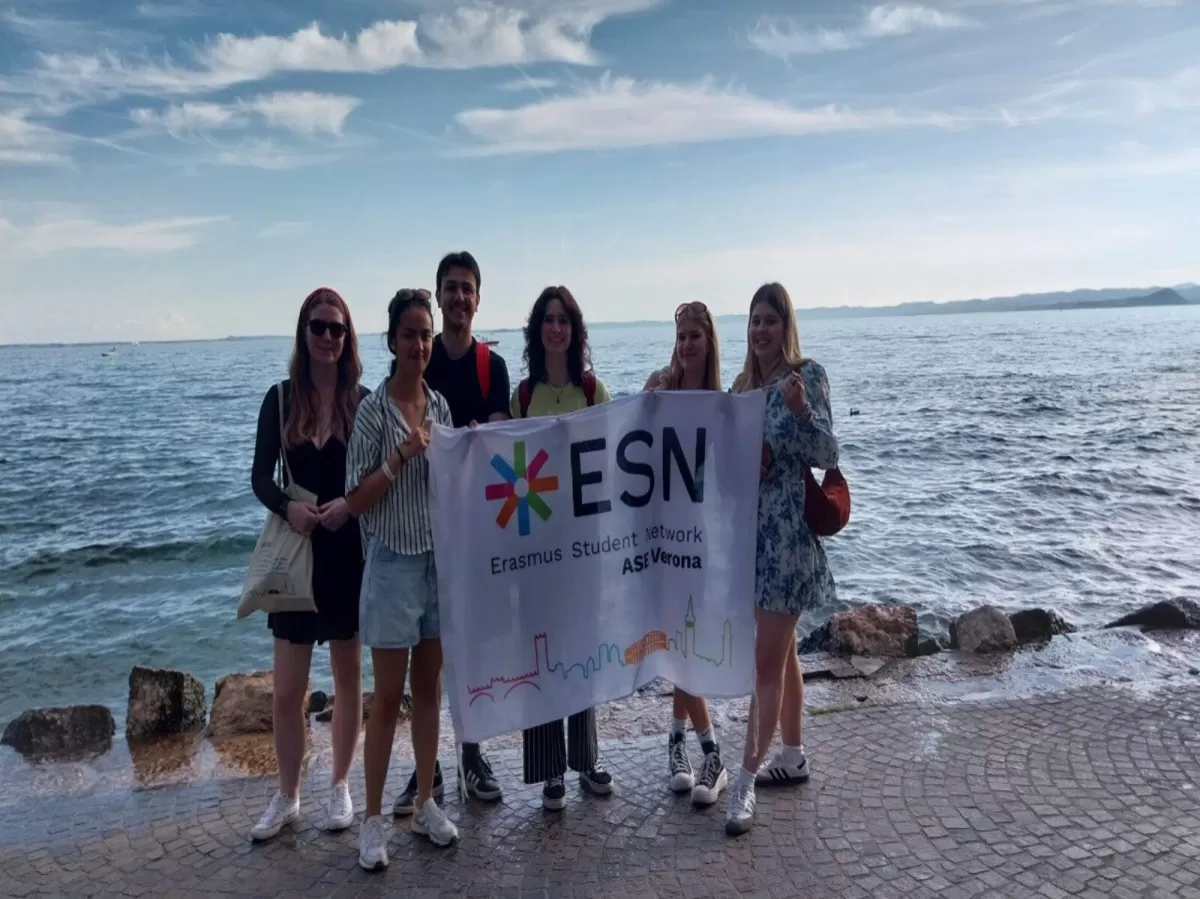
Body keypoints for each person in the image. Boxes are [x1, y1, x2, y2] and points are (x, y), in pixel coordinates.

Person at [391, 251, 508, 814]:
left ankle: (472, 753)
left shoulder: (493, 367)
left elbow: (508, 443)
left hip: (478, 529)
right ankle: (426, 768)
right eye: (450, 289)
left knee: (472, 648)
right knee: (427, 658)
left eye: (467, 288)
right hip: (422, 529)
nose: (459, 298)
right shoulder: (421, 362)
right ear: (438, 299)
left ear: (477, 299)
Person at [248, 287, 367, 842]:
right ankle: (288, 795)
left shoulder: (363, 403)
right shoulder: (278, 399)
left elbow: (374, 481)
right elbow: (259, 478)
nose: (326, 338)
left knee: (347, 680)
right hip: (296, 555)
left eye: (336, 329)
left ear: (348, 338)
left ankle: (340, 785)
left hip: (346, 553)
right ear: (303, 331)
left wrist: (351, 506)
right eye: (318, 327)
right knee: (287, 690)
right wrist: (288, 507)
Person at [346, 289, 458, 869]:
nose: (419, 344)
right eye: (410, 333)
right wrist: (399, 458)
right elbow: (356, 500)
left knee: (430, 693)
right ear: (391, 340)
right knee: (387, 697)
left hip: (437, 565)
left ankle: (426, 802)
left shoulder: (440, 407)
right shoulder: (371, 412)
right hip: (391, 565)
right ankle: (370, 821)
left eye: (426, 334)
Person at [724, 283, 839, 837]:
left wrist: (798, 415)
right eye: (754, 321)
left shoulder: (806, 377)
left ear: (785, 325)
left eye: (770, 320)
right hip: (752, 537)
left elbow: (828, 455)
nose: (761, 330)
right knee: (783, 651)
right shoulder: (743, 387)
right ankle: (791, 754)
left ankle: (744, 782)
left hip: (788, 540)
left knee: (764, 663)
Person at [512, 285, 613, 810]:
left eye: (564, 319)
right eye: (548, 319)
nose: (556, 328)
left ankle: (588, 757)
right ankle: (550, 768)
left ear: (575, 329)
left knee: (583, 650)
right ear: (538, 330)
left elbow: (617, 458)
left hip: (586, 548)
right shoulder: (522, 396)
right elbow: (506, 466)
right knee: (544, 651)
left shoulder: (595, 392)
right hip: (537, 547)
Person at [642, 301, 728, 807]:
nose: (687, 345)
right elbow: (630, 440)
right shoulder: (663, 387)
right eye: (681, 337)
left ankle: (693, 746)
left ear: (709, 341)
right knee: (678, 641)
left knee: (684, 642)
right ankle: (693, 747)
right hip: (661, 533)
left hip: (699, 535)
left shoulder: (719, 401)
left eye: (695, 336)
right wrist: (645, 402)